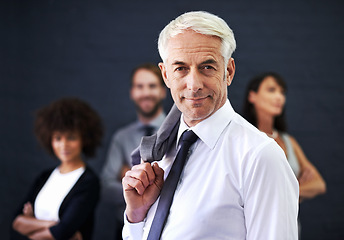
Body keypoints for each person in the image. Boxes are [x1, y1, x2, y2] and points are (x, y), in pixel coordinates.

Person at [122, 11, 299, 240]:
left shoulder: (260, 157)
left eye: (207, 67)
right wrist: (136, 215)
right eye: (181, 68)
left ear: (229, 72)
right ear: (165, 75)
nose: (194, 85)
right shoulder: (158, 153)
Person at [242, 72, 326, 235]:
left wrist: (286, 192)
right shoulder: (244, 138)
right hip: (255, 230)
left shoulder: (289, 141)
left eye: (282, 92)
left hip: (290, 228)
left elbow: (319, 184)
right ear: (252, 96)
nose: (279, 97)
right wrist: (297, 187)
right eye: (272, 90)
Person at [11, 98, 103, 240]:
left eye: (71, 137)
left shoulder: (89, 182)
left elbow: (61, 233)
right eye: (58, 138)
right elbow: (16, 223)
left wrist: (31, 223)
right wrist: (53, 224)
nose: (63, 145)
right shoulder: (45, 177)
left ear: (84, 139)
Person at [101, 63, 167, 238]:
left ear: (163, 91)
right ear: (132, 93)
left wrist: (128, 178)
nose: (145, 92)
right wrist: (140, 190)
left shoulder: (179, 132)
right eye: (140, 86)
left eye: (152, 86)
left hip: (168, 228)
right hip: (125, 229)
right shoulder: (121, 137)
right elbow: (106, 188)